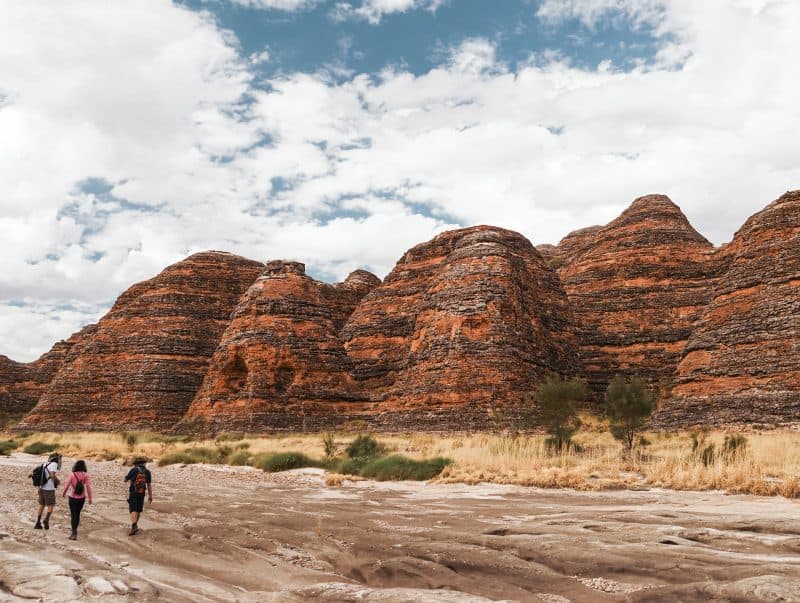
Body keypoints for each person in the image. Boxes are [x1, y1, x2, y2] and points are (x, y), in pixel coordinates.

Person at [62, 460, 93, 540]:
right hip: (81, 498)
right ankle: (75, 530)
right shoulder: (86, 475)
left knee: (73, 514)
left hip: (72, 497)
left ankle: (74, 532)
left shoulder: (72, 475)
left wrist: (64, 493)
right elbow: (88, 487)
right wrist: (90, 498)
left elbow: (67, 485)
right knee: (77, 514)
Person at [32, 452, 61, 530]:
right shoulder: (54, 464)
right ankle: (46, 519)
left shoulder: (45, 463)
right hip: (49, 488)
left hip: (41, 487)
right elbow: (52, 475)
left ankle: (38, 522)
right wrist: (57, 481)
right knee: (51, 505)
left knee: (42, 505)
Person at [124, 457, 152, 536]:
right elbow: (149, 485)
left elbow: (125, 479)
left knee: (133, 509)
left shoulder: (134, 470)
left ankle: (134, 526)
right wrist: (150, 496)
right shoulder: (147, 472)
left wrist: (127, 479)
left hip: (133, 492)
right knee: (138, 510)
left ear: (136, 464)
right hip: (142, 493)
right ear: (144, 463)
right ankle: (135, 525)